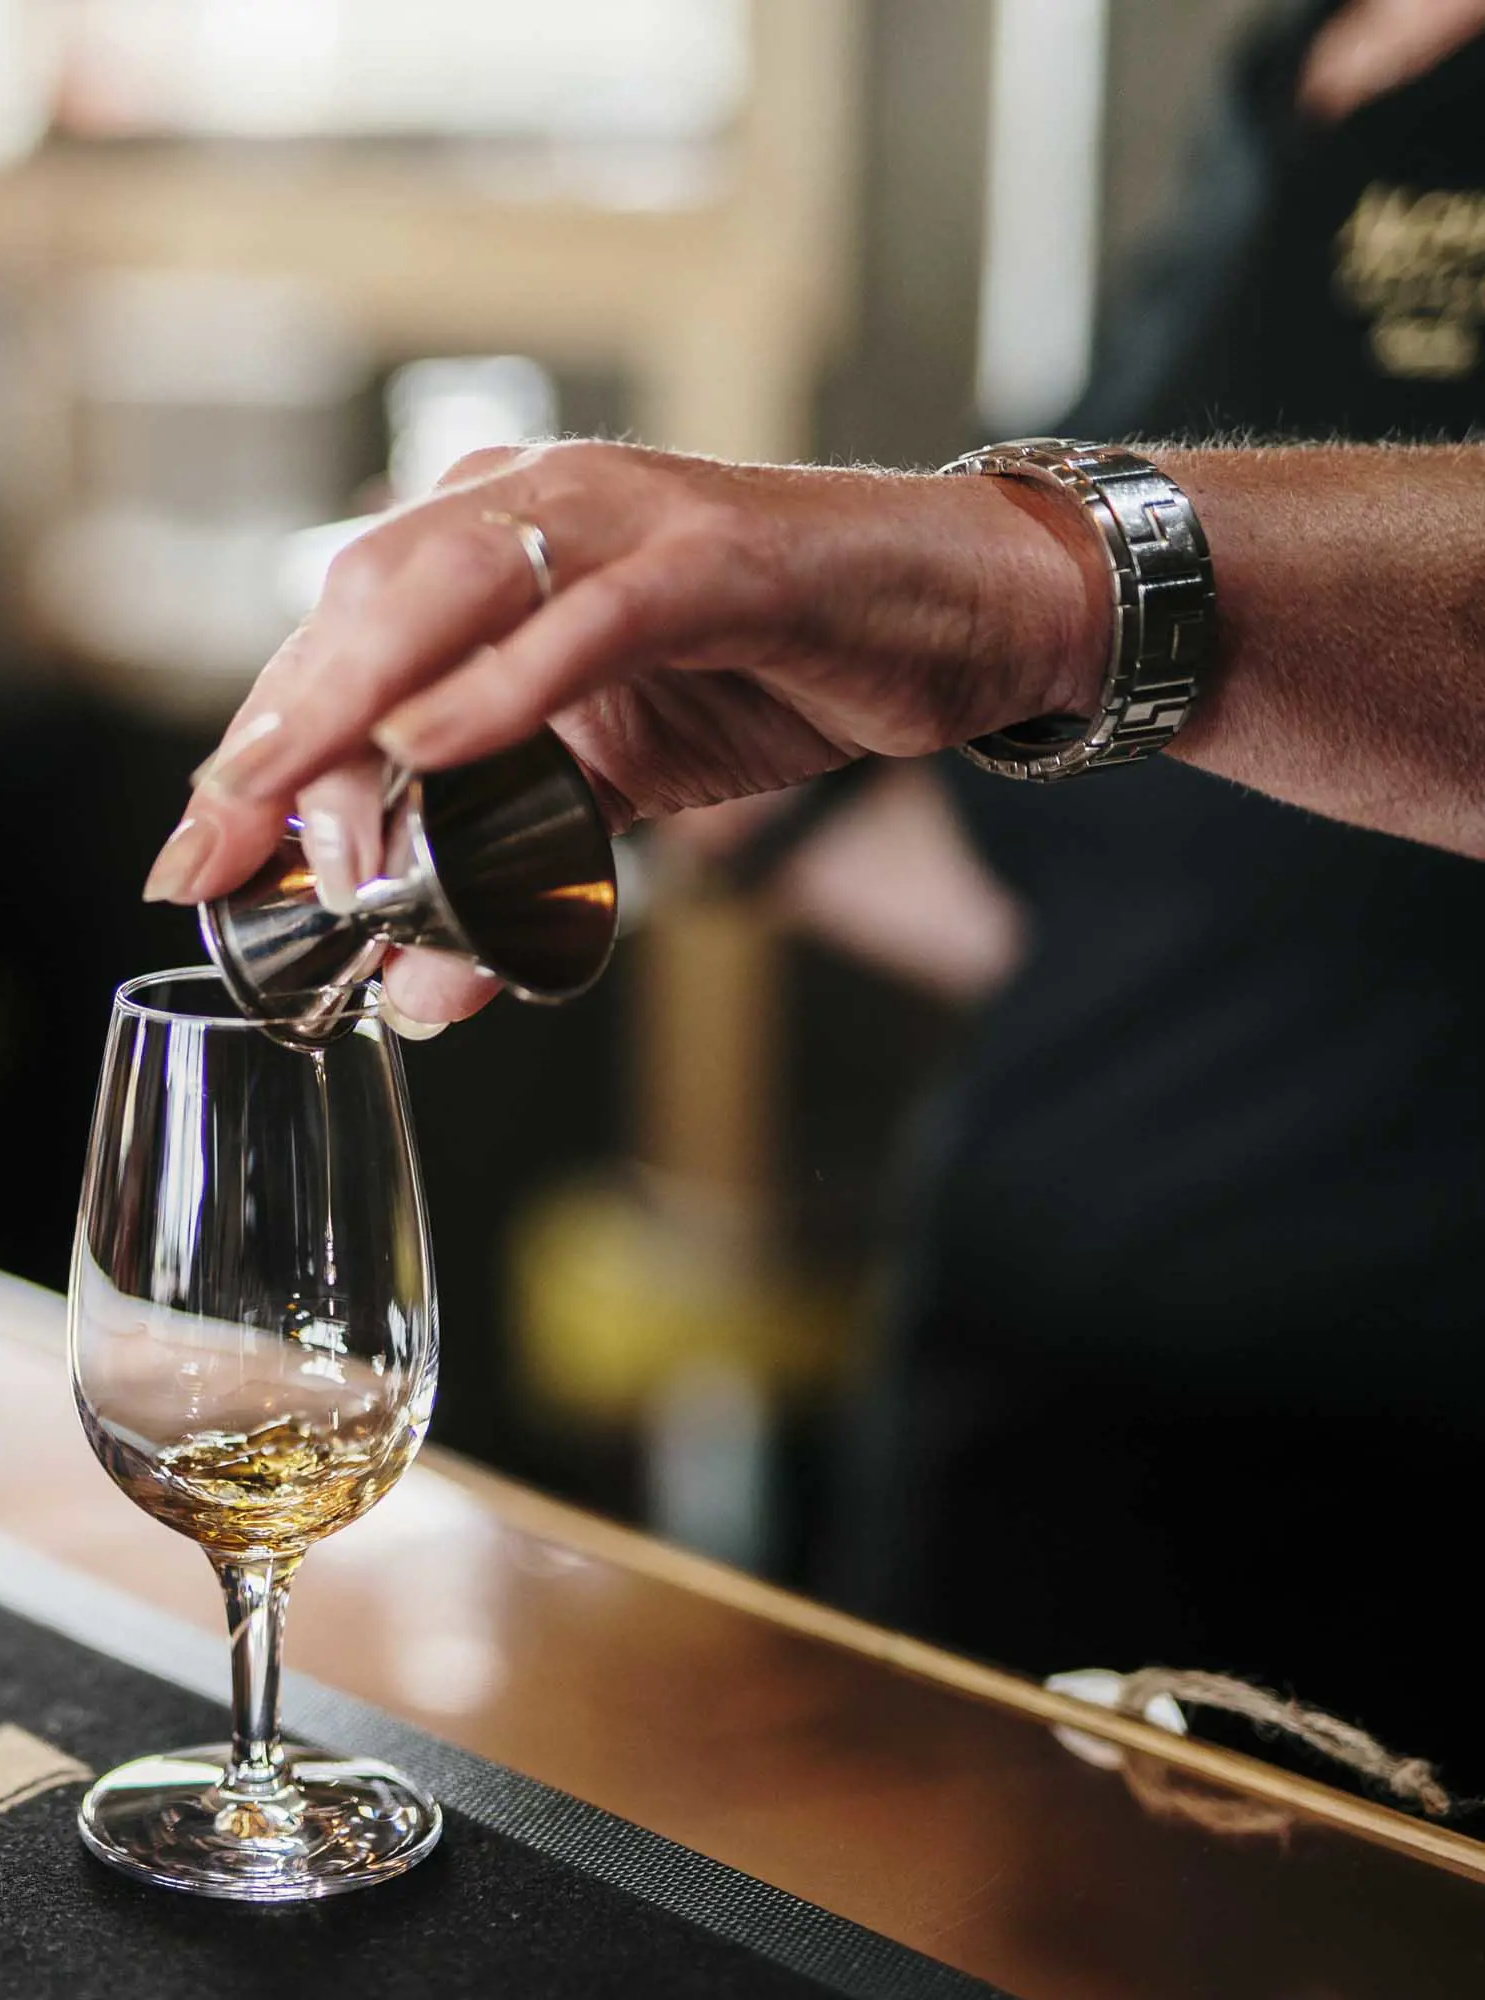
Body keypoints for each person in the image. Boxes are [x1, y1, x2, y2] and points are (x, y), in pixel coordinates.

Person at [146, 0, 1485, 1788]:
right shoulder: (1290, 77)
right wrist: (693, 791)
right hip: (1022, 1402)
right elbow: (1114, 898)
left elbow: (1083, 616)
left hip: (1419, 1484)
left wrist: (1036, 582)